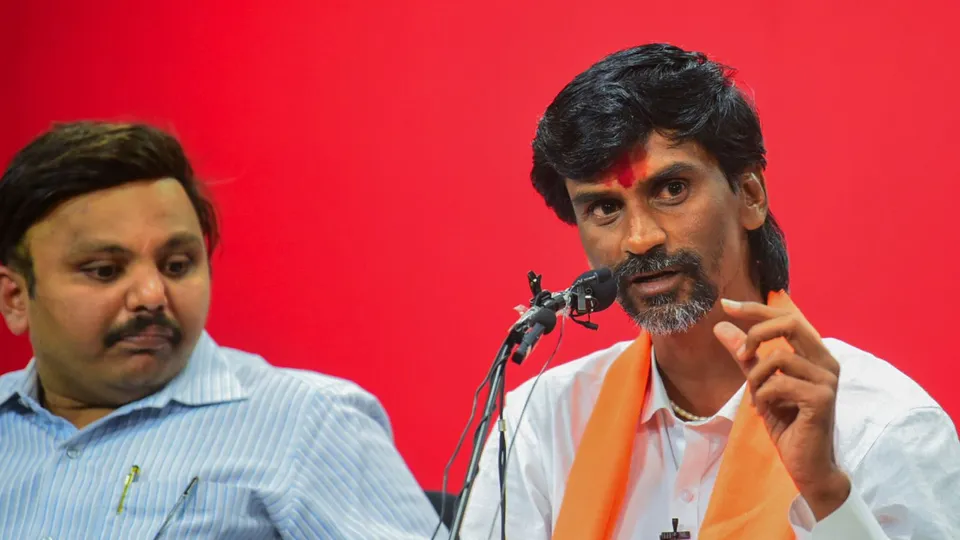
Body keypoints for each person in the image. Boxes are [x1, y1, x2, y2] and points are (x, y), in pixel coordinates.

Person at [459, 43, 960, 539]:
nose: (639, 239)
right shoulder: (543, 424)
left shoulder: (884, 427)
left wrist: (827, 494)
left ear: (749, 196)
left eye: (672, 189)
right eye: (603, 209)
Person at [0, 121, 445, 539]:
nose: (152, 295)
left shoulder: (310, 422)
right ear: (15, 298)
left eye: (177, 265)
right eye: (105, 271)